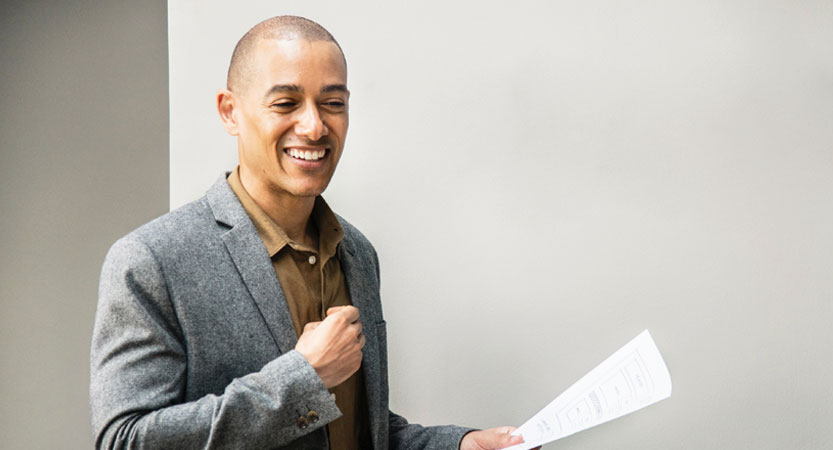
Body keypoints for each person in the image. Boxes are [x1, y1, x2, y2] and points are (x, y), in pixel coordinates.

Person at [90, 15, 532, 450]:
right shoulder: (151, 261)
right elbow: (124, 440)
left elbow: (360, 431)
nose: (315, 126)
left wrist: (459, 445)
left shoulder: (357, 253)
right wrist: (305, 377)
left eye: (333, 103)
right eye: (286, 103)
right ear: (230, 111)